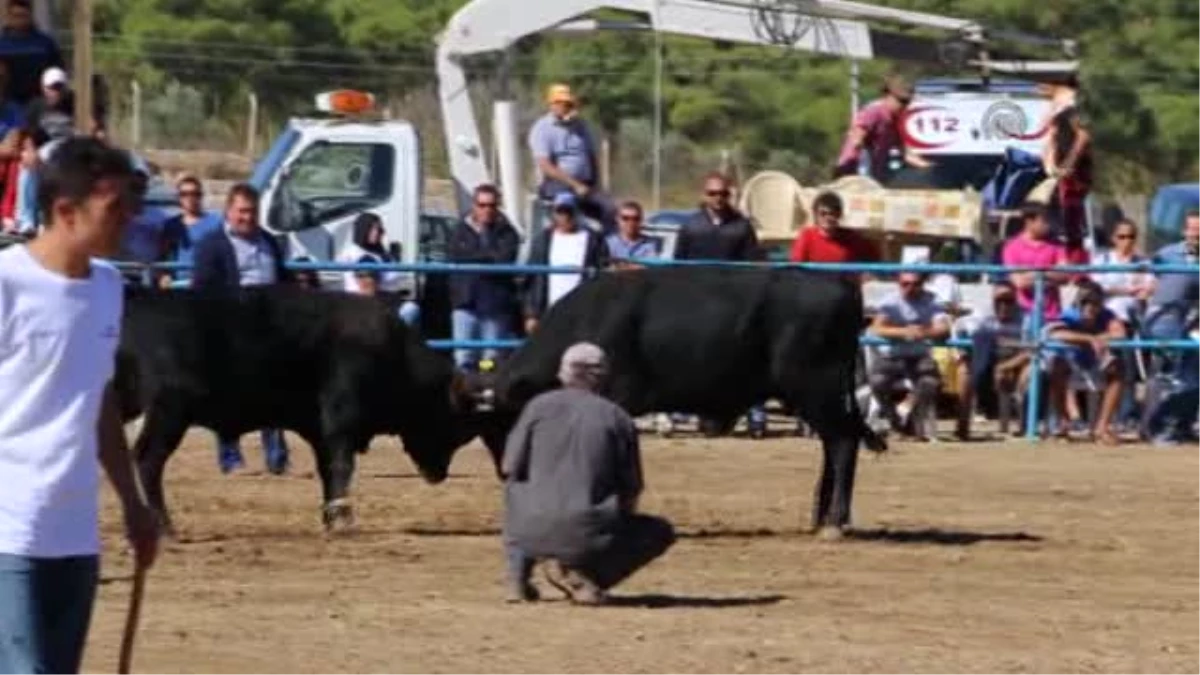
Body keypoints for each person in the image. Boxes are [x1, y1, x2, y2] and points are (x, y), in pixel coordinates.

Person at [0, 136, 159, 674]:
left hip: (75, 532)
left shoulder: (108, 288)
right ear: (65, 211)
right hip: (8, 528)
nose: (128, 220)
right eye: (114, 209)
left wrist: (134, 504)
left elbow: (97, 403)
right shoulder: (6, 285)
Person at [501, 343, 675, 605]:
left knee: (522, 495)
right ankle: (586, 576)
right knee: (660, 531)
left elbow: (509, 466)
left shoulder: (537, 407)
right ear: (604, 377)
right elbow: (631, 487)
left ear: (562, 373)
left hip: (525, 527)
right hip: (588, 531)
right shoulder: (617, 418)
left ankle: (517, 578)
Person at [193, 183, 292, 475]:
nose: (247, 217)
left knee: (273, 394)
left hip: (269, 329)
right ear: (229, 211)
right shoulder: (211, 245)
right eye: (242, 211)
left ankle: (276, 458)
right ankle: (231, 459)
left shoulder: (270, 242)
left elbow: (282, 279)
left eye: (252, 212)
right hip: (231, 331)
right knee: (228, 397)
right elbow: (202, 289)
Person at [676, 172, 765, 436]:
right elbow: (679, 265)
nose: (718, 199)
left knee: (737, 360)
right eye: (713, 193)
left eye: (723, 193)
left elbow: (752, 267)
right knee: (698, 361)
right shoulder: (691, 226)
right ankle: (700, 414)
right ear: (704, 195)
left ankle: (748, 415)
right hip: (698, 303)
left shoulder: (742, 227)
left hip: (732, 306)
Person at [868, 271, 952, 441]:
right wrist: (904, 332)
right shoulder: (890, 302)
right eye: (905, 284)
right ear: (898, 284)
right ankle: (895, 422)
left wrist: (922, 332)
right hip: (892, 356)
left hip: (919, 355)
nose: (910, 288)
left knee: (930, 383)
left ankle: (913, 422)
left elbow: (944, 328)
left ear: (922, 285)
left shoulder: (932, 300)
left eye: (915, 284)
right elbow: (877, 328)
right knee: (877, 382)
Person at [447, 184, 521, 371]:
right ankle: (465, 393)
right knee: (464, 357)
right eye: (482, 205)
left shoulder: (508, 233)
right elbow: (455, 256)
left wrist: (473, 258)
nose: (487, 210)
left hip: (494, 305)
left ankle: (486, 390)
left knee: (490, 360)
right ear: (474, 205)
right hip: (465, 303)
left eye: (492, 205)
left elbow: (504, 259)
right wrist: (488, 257)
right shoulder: (459, 230)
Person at [1143, 211, 1200, 445]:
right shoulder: (1168, 254)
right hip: (1164, 320)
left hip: (1188, 321)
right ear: (1184, 231)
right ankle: (1160, 428)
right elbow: (1150, 279)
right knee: (1174, 375)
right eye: (1193, 229)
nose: (1196, 234)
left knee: (1192, 373)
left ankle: (1181, 424)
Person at [527, 83, 615, 232]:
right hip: (556, 184)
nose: (565, 106)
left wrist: (597, 185)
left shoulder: (581, 126)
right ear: (552, 104)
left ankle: (605, 248)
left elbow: (591, 156)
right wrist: (575, 185)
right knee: (568, 207)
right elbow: (545, 166)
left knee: (610, 209)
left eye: (568, 103)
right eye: (560, 103)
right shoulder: (542, 128)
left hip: (585, 184)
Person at [1045, 283, 1126, 444]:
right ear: (1079, 302)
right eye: (1086, 302)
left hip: (1095, 364)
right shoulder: (1070, 314)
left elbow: (1120, 333)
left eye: (1095, 303)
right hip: (1072, 363)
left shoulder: (1107, 315)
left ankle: (1102, 426)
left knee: (1118, 369)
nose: (1090, 306)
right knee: (1057, 366)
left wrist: (1103, 337)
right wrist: (1089, 339)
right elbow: (1056, 333)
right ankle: (1063, 422)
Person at [1091, 218, 1152, 428]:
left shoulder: (1141, 263)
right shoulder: (1102, 261)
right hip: (1104, 319)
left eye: (1131, 237)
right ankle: (1119, 415)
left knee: (1130, 367)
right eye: (1122, 236)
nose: (1127, 241)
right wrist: (1125, 290)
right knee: (1120, 364)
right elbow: (1094, 290)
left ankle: (1127, 415)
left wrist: (1143, 291)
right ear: (1113, 238)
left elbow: (1148, 288)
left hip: (1133, 319)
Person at [523, 192, 609, 335]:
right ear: (554, 213)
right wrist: (531, 314)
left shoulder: (593, 239)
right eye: (561, 211)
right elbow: (531, 278)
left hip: (582, 312)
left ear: (576, 211)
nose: (565, 216)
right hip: (549, 312)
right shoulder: (542, 240)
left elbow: (603, 272)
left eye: (569, 211)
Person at [953, 281, 1030, 439]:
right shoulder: (981, 314)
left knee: (1030, 372)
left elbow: (1032, 351)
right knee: (964, 371)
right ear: (992, 301)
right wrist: (961, 354)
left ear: (1016, 300)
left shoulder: (1026, 318)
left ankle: (1026, 427)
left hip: (1015, 361)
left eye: (1008, 300)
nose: (1004, 305)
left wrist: (1006, 366)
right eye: (999, 301)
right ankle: (962, 426)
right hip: (986, 360)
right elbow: (958, 327)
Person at [834, 74, 931, 183]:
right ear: (888, 95)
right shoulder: (874, 111)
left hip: (872, 178)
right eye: (902, 101)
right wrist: (860, 150)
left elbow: (906, 153)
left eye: (908, 102)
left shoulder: (894, 121)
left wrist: (927, 167)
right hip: (852, 176)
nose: (905, 106)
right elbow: (857, 135)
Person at [1041, 74, 1093, 251]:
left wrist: (1070, 163)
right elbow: (1054, 139)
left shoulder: (1073, 110)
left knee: (1071, 215)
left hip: (1074, 176)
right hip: (1062, 175)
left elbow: (1083, 136)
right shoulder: (1058, 111)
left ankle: (1075, 255)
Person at [1002, 203, 1071, 324]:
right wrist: (1050, 273)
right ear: (1029, 222)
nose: (1048, 225)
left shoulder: (1057, 245)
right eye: (1044, 221)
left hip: (1053, 315)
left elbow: (1065, 275)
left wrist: (1037, 274)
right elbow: (1019, 282)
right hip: (1024, 314)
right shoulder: (1012, 247)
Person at [788, 190, 880, 281]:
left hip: (844, 288)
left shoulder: (851, 236)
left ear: (839, 214)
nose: (828, 217)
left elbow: (874, 259)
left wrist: (868, 273)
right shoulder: (807, 235)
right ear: (815, 215)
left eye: (832, 213)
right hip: (815, 287)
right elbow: (796, 267)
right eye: (823, 214)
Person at [157, 174, 222, 288]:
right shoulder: (171, 224)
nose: (190, 198)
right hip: (178, 285)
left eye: (195, 194)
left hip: (206, 285)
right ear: (179, 198)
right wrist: (164, 275)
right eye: (184, 194)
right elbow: (164, 255)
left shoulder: (216, 222)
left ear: (201, 196)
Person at [0, 0, 63, 105]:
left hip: (39, 101)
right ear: (9, 17)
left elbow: (57, 72)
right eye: (16, 16)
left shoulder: (45, 43)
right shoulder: (2, 45)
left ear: (30, 16)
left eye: (23, 16)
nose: (19, 21)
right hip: (8, 104)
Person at [24, 67, 105, 142]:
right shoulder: (35, 107)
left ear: (65, 88)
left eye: (59, 87)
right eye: (52, 88)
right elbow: (28, 135)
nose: (56, 92)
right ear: (43, 88)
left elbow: (92, 124)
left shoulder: (74, 102)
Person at [338, 211, 404, 294]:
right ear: (363, 229)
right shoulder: (355, 253)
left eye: (379, 229)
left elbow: (394, 279)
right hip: (366, 302)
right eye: (371, 228)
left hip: (388, 299)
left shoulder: (382, 253)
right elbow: (368, 289)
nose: (376, 233)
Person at [606, 200, 661, 269]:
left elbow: (650, 268)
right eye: (625, 218)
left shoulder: (651, 244)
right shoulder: (608, 243)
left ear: (641, 220)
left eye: (636, 219)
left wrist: (620, 266)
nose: (631, 223)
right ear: (617, 219)